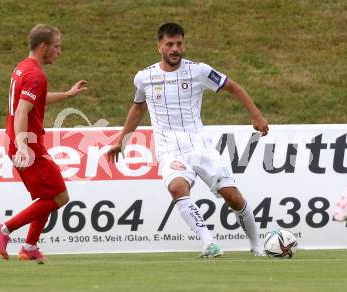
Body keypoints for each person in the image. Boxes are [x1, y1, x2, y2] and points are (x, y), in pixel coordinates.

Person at [107, 23, 269, 257]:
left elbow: (232, 87)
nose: (175, 49)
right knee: (177, 188)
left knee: (232, 197)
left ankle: (256, 245)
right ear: (159, 46)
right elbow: (138, 108)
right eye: (169, 44)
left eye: (179, 44)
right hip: (169, 149)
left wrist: (256, 115)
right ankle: (209, 243)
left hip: (200, 145)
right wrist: (123, 141)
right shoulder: (144, 78)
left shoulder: (199, 71)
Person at [0, 24, 87, 263]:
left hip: (22, 142)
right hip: (27, 145)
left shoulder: (23, 68)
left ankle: (30, 247)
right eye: (56, 46)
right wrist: (23, 146)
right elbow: (22, 111)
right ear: (43, 47)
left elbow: (34, 101)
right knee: (60, 197)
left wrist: (67, 94)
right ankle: (4, 230)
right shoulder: (35, 75)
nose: (59, 51)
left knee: (48, 196)